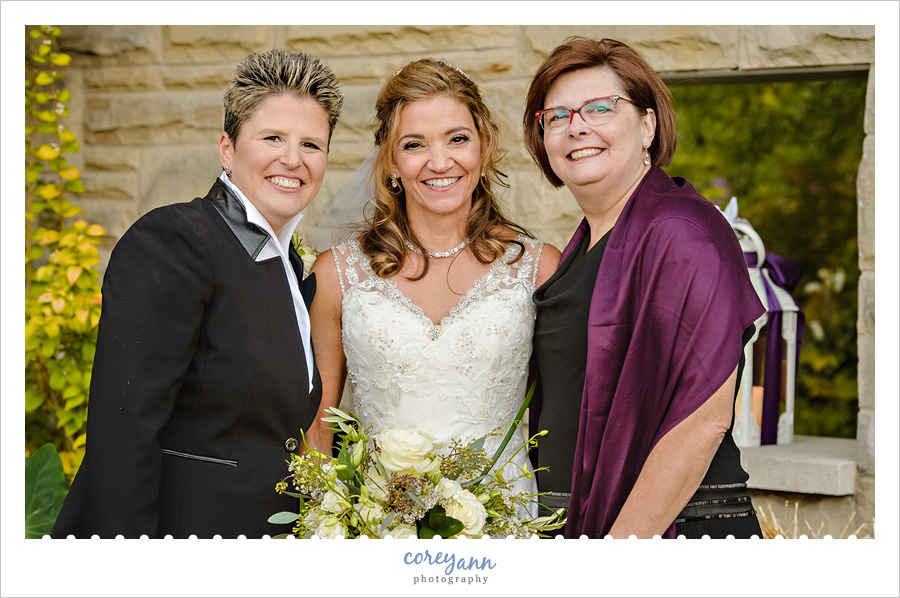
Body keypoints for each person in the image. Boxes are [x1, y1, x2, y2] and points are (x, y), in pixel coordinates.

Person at [51, 49, 343, 539]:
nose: (293, 159)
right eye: (272, 137)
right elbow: (124, 433)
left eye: (311, 144)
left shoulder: (291, 269)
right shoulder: (175, 240)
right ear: (227, 148)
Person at [523, 37, 765, 539]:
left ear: (648, 125)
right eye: (558, 116)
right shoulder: (585, 245)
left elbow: (703, 423)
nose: (577, 126)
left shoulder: (682, 232)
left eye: (600, 107)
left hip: (667, 535)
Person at [306, 59, 561, 518]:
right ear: (390, 160)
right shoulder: (337, 275)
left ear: (484, 146)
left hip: (507, 524)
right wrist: (329, 522)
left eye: (457, 139)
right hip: (378, 528)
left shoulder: (537, 267)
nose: (440, 162)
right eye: (414, 144)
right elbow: (318, 430)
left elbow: (568, 417)